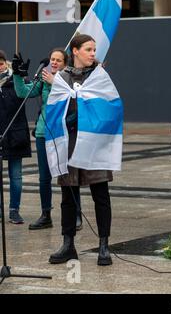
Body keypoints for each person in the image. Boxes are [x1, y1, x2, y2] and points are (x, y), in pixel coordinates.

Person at [47, 34, 123, 266]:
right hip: (68, 143)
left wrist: (84, 106)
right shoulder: (62, 78)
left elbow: (113, 108)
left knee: (101, 194)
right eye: (88, 49)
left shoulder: (100, 76)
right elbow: (53, 107)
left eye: (94, 49)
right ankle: (68, 244)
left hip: (94, 143)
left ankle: (103, 245)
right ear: (76, 51)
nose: (93, 53)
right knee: (68, 196)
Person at [13, 49, 83, 230]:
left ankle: (75, 214)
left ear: (65, 63)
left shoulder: (71, 80)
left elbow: (74, 100)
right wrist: (18, 75)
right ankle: (46, 215)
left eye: (58, 60)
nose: (54, 62)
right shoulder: (44, 81)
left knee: (67, 176)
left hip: (63, 134)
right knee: (44, 178)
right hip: (44, 134)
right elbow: (22, 93)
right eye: (52, 59)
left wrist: (56, 82)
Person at [0, 50, 31, 224]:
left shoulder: (17, 80)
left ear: (5, 63)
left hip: (16, 134)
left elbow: (26, 89)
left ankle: (14, 210)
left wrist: (21, 74)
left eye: (1, 63)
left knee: (16, 175)